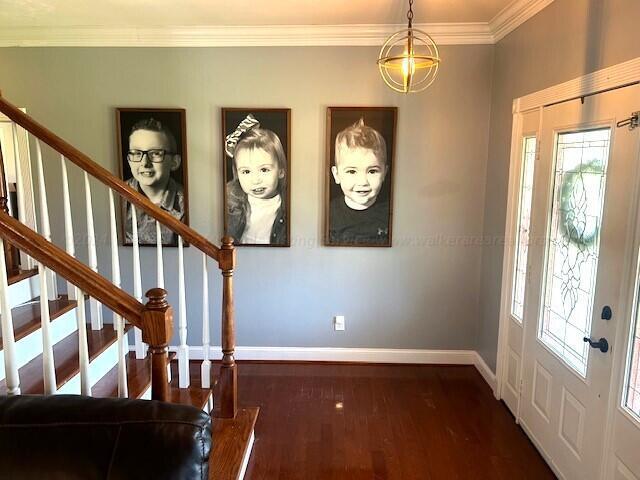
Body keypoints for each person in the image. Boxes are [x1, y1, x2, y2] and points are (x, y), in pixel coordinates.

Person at [225, 114, 287, 245]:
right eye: (246, 171)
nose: (255, 180)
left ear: (281, 170)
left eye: (264, 170)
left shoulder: (288, 204)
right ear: (237, 173)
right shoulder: (229, 200)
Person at [124, 117, 184, 245]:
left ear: (174, 162)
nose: (145, 163)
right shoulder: (117, 198)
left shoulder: (186, 204)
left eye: (156, 153)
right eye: (136, 153)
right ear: (129, 160)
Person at [329, 118, 390, 245]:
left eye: (372, 171)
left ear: (384, 173)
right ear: (336, 175)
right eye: (352, 171)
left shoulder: (390, 213)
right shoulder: (329, 214)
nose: (362, 182)